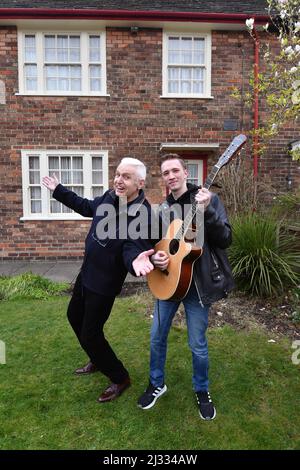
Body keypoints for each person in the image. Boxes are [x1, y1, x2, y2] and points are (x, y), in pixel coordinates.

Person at [42, 158, 154, 403]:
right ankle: (96, 357)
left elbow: (133, 247)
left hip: (104, 284)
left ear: (140, 183)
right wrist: (59, 191)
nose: (119, 180)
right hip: (87, 273)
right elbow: (85, 206)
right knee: (74, 316)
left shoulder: (143, 215)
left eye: (126, 177)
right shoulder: (108, 197)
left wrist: (135, 261)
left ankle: (119, 377)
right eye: (117, 174)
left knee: (91, 333)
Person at [137, 154, 234, 420]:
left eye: (175, 170)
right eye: (166, 172)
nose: (170, 176)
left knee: (197, 344)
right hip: (168, 282)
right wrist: (156, 259)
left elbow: (225, 239)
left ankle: (201, 389)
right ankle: (157, 383)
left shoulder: (207, 199)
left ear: (185, 172)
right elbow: (157, 244)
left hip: (198, 286)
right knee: (157, 337)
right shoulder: (163, 209)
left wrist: (208, 212)